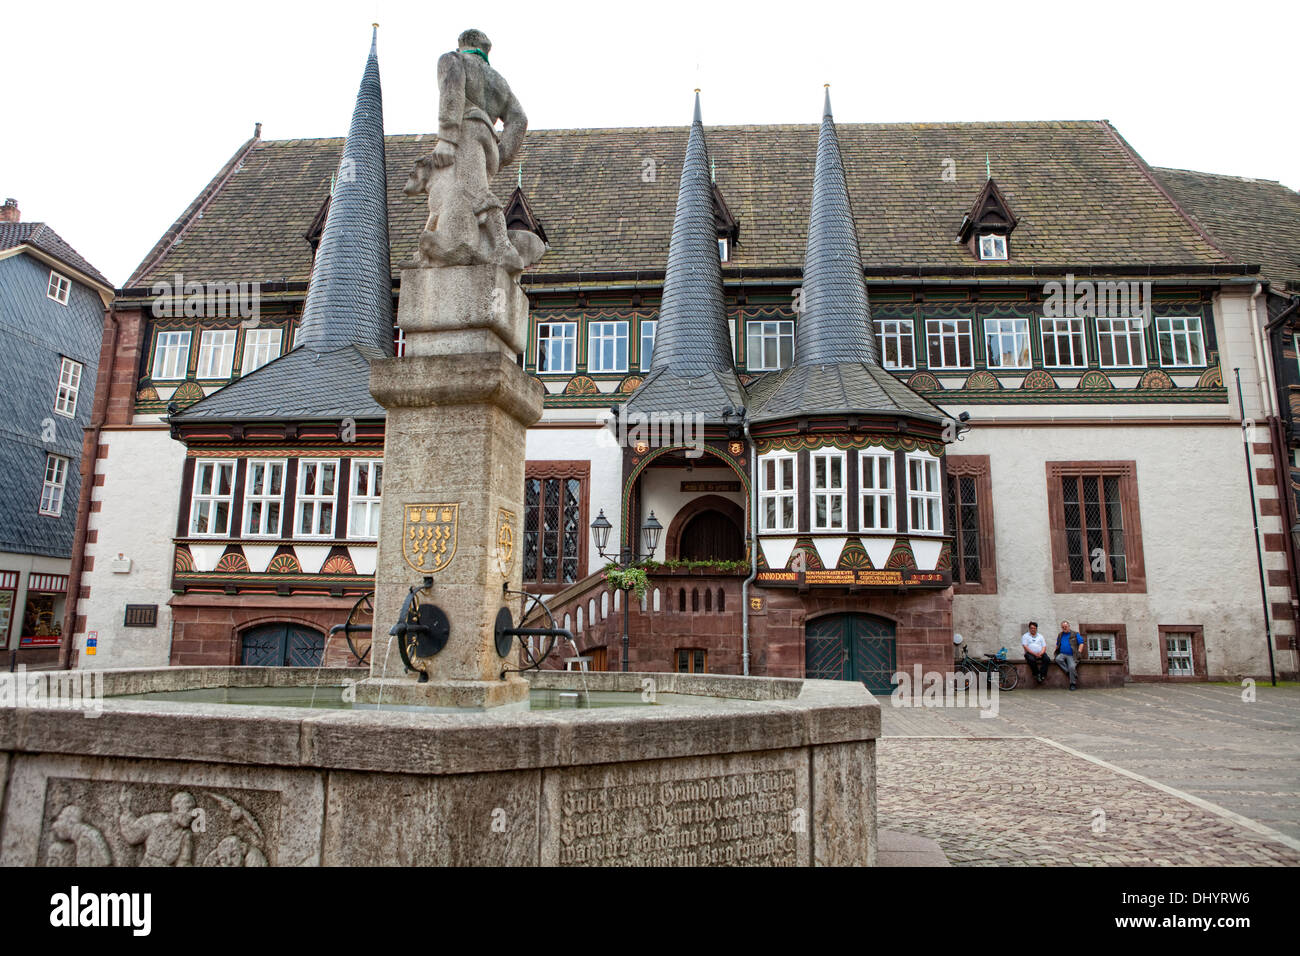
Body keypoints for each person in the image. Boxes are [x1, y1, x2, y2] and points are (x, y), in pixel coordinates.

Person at [1054, 620, 1084, 690]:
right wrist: (1056, 652)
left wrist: (1079, 652)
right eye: (1063, 627)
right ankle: (1068, 672)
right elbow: (1057, 644)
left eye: (1066, 626)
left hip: (1071, 655)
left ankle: (1072, 684)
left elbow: (1081, 643)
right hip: (1062, 654)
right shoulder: (1060, 635)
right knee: (1057, 659)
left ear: (1069, 626)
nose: (1064, 628)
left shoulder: (1075, 634)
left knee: (1072, 667)